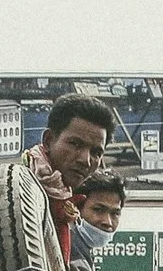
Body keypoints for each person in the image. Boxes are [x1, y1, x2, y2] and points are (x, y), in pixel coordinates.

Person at [26, 93, 117, 261]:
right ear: (48, 141)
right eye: (75, 144)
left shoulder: (64, 202)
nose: (85, 160)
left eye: (96, 152)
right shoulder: (19, 192)